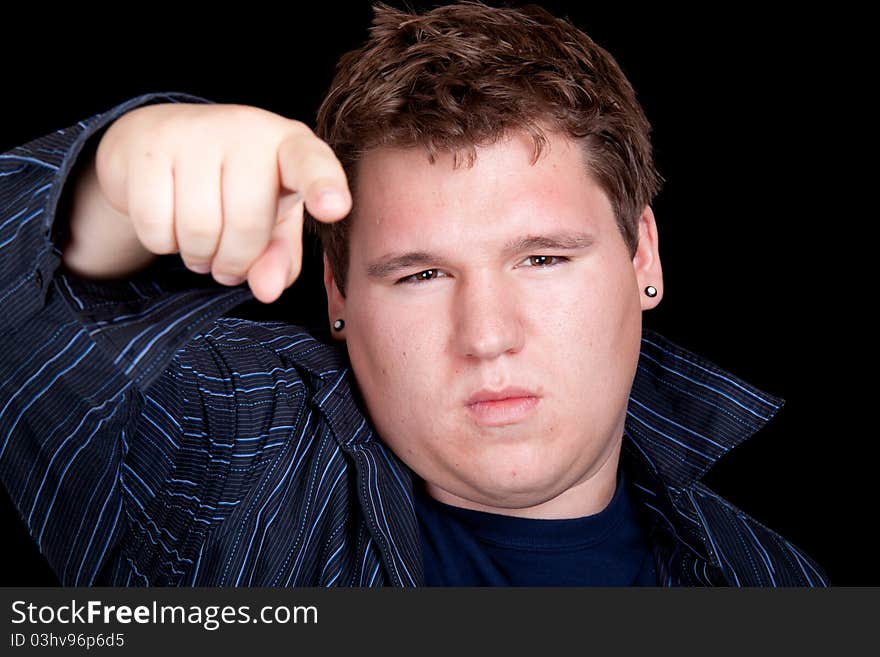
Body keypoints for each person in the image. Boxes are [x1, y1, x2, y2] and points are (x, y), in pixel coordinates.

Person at [0, 0, 828, 586]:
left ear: (643, 253)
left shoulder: (774, 584)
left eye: (542, 259)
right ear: (337, 291)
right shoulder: (228, 469)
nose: (488, 335)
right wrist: (103, 189)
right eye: (421, 274)